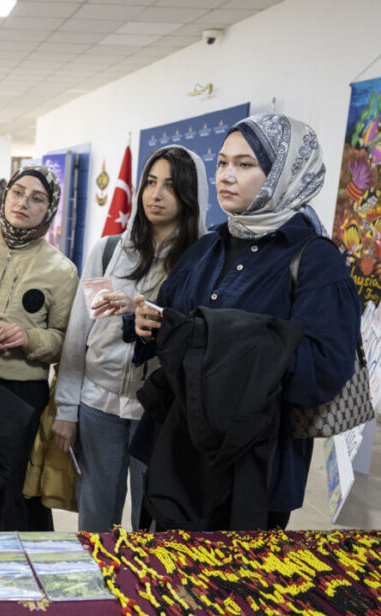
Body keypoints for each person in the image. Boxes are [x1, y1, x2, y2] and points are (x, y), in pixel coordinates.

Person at [132, 113, 361, 530]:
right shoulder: (207, 248)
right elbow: (170, 319)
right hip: (179, 450)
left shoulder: (314, 260)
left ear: (286, 174)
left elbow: (323, 371)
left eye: (245, 164)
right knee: (159, 567)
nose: (226, 175)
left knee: (235, 571)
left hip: (254, 463)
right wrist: (149, 325)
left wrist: (217, 342)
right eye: (222, 162)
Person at [51, 146, 207, 533]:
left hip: (157, 412)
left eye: (170, 185)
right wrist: (67, 409)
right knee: (95, 521)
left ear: (190, 194)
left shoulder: (201, 261)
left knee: (150, 522)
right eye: (150, 183)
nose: (156, 195)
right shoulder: (107, 251)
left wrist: (140, 309)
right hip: (97, 405)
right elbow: (78, 333)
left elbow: (197, 335)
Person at [0, 165, 78, 531]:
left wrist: (29, 338)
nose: (23, 203)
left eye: (37, 199)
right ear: (5, 197)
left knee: (13, 496)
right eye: (18, 193)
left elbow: (65, 341)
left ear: (50, 209)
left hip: (20, 397)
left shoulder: (62, 270)